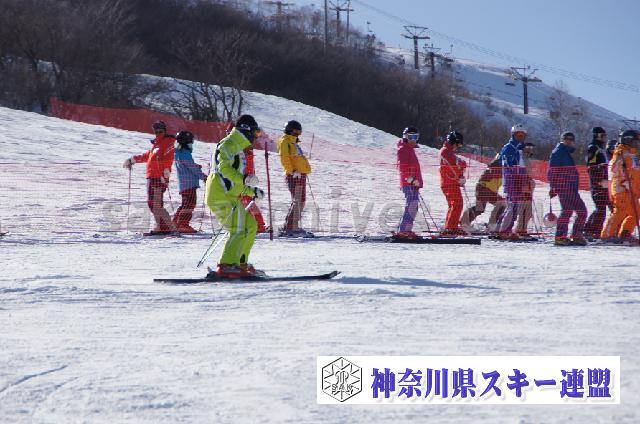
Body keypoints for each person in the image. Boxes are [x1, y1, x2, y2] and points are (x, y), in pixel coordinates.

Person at [205, 114, 265, 278]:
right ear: (246, 130)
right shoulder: (228, 144)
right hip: (219, 195)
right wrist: (245, 179)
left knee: (251, 226)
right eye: (256, 132)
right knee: (238, 229)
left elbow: (234, 181)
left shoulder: (238, 148)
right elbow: (224, 169)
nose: (256, 136)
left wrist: (252, 191)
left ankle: (240, 263)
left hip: (229, 195)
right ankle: (227, 266)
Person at [123, 120, 177, 234]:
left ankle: (165, 227)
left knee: (155, 203)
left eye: (160, 131)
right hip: (151, 177)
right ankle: (164, 226)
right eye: (156, 131)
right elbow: (147, 156)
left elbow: (168, 158)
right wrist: (133, 160)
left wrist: (165, 174)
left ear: (165, 131)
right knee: (153, 203)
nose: (158, 133)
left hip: (159, 178)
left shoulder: (168, 142)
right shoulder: (156, 145)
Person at [548, 131, 588, 246]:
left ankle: (576, 235)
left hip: (571, 188)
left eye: (571, 140)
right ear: (562, 140)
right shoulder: (558, 152)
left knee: (581, 211)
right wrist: (553, 186)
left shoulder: (566, 152)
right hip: (563, 186)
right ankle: (560, 236)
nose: (569, 141)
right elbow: (552, 170)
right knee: (568, 210)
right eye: (567, 139)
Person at [600, 130, 640, 242]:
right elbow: (615, 170)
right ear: (628, 140)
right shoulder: (620, 154)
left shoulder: (633, 155)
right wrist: (625, 182)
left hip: (632, 189)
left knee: (636, 212)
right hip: (621, 188)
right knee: (620, 211)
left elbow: (636, 171)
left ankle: (625, 233)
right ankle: (607, 235)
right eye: (635, 141)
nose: (637, 143)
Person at [277, 120, 312, 237]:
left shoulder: (293, 142)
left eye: (299, 132)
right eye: (295, 131)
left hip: (300, 174)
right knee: (298, 200)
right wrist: (292, 171)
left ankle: (291, 225)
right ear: (289, 130)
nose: (297, 134)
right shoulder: (285, 141)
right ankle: (292, 227)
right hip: (294, 175)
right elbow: (284, 158)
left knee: (301, 200)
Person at [496, 124, 527, 240]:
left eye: (523, 135)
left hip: (518, 180)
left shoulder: (519, 149)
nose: (521, 137)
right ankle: (503, 230)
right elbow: (507, 163)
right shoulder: (509, 147)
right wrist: (515, 173)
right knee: (512, 205)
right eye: (519, 135)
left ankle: (503, 229)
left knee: (515, 207)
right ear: (513, 135)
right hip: (511, 180)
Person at [172, 130, 207, 233]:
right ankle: (183, 224)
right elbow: (192, 168)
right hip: (189, 184)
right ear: (186, 142)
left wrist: (196, 166)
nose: (191, 144)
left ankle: (175, 223)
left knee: (185, 204)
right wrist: (203, 177)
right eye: (191, 142)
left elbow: (187, 166)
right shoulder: (185, 153)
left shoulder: (178, 153)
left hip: (184, 184)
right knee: (190, 204)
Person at [460, 155, 506, 233]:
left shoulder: (500, 170)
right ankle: (464, 223)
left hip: (491, 191)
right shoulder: (492, 169)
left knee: (502, 204)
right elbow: (494, 173)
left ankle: (492, 224)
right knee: (480, 208)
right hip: (483, 189)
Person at [583, 127, 611, 240]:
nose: (604, 138)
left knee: (602, 209)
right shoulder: (593, 148)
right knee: (601, 209)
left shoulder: (601, 148)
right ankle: (592, 231)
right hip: (598, 184)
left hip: (605, 183)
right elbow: (591, 166)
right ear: (597, 136)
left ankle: (589, 229)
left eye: (605, 136)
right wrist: (598, 180)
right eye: (602, 136)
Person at [396, 126, 423, 239]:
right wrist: (410, 179)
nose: (413, 139)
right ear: (405, 137)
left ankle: (406, 229)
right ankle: (404, 231)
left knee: (413, 206)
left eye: (415, 137)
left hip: (413, 183)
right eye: (410, 137)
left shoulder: (410, 149)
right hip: (408, 183)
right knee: (412, 205)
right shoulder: (403, 149)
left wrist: (416, 181)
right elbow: (402, 167)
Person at [439, 131, 467, 236]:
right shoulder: (446, 152)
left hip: (451, 182)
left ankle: (450, 226)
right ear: (453, 142)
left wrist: (460, 173)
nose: (458, 147)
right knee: (457, 204)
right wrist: (459, 177)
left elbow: (460, 163)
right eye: (458, 145)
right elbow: (453, 167)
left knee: (454, 204)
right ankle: (451, 228)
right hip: (449, 182)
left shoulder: (449, 152)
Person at [515, 142, 536, 236]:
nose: (530, 149)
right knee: (524, 210)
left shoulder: (526, 158)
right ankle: (520, 229)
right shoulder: (521, 158)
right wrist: (526, 181)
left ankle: (522, 228)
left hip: (528, 188)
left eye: (531, 148)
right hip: (523, 187)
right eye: (528, 147)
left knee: (528, 211)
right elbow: (520, 173)